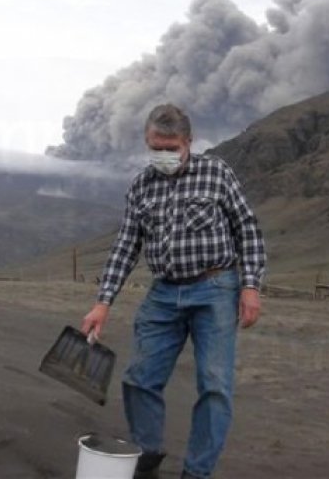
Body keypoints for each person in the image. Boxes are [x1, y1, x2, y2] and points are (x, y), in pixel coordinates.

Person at [81, 104, 266, 479]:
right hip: (164, 293)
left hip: (215, 289)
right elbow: (126, 245)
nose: (163, 155)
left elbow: (246, 229)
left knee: (214, 386)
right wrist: (103, 302)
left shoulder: (216, 173)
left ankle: (196, 473)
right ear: (146, 142)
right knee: (139, 378)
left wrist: (250, 286)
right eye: (156, 148)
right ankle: (146, 457)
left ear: (188, 142)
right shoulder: (141, 186)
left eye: (171, 148)